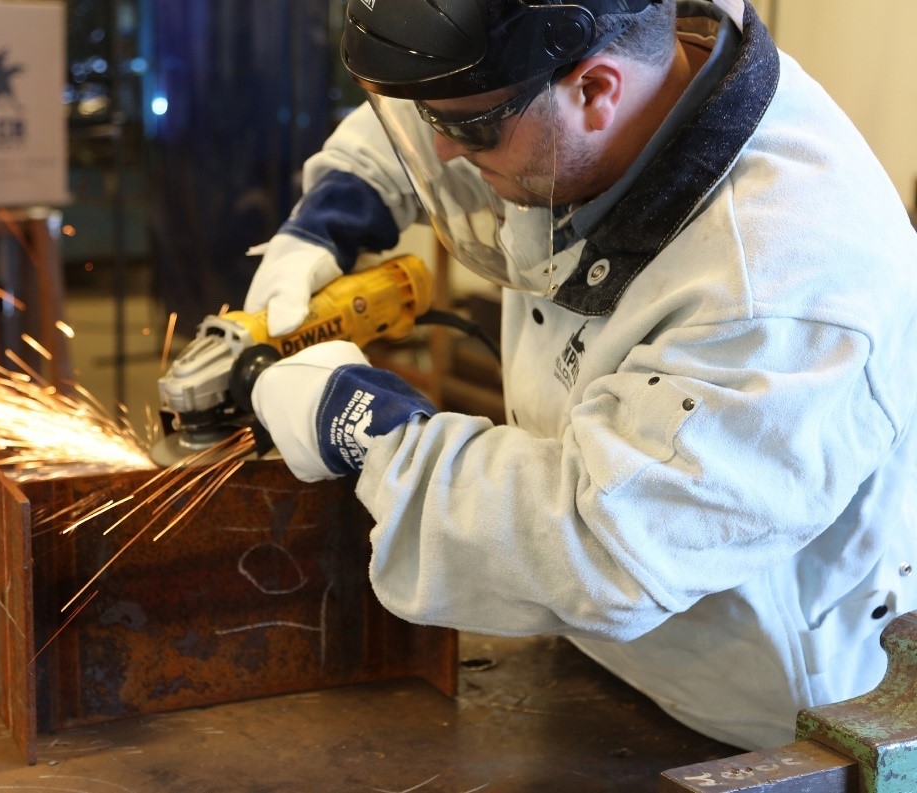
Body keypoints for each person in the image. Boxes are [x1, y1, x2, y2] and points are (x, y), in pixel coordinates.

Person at [243, 0, 917, 750]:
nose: (439, 154)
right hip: (594, 653)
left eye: (465, 131)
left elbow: (600, 545)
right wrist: (345, 197)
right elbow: (466, 98)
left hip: (756, 719)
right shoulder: (636, 64)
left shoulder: (784, 290)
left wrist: (372, 428)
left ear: (596, 91)